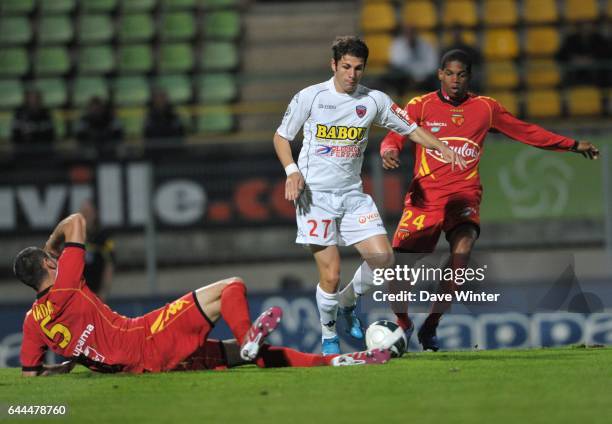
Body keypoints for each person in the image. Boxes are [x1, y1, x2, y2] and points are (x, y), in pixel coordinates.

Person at [372, 49, 599, 351]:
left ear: (469, 76)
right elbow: (396, 133)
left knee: (461, 254)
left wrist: (570, 144)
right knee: (400, 270)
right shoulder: (420, 105)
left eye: (461, 74)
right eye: (449, 74)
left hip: (465, 194)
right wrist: (389, 150)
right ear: (440, 74)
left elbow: (526, 131)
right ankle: (403, 323)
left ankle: (431, 325)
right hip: (425, 198)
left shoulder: (485, 108)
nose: (455, 80)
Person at [273, 36, 465, 355]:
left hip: (352, 196)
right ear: (333, 65)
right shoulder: (310, 97)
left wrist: (443, 147)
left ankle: (348, 304)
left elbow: (411, 128)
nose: (352, 74)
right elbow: (281, 137)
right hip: (315, 198)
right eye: (346, 67)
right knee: (331, 275)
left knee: (385, 260)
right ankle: (329, 335)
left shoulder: (374, 100)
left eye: (358, 68)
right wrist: (292, 171)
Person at [15, 213, 388, 376]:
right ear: (49, 265)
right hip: (146, 338)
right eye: (51, 258)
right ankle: (247, 340)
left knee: (234, 357)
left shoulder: (33, 322)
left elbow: (31, 374)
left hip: (141, 366)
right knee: (232, 286)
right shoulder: (65, 279)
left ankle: (342, 362)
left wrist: (63, 365)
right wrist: (52, 242)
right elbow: (77, 220)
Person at [381, 25, 439, 96]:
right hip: (405, 79)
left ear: (416, 33)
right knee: (391, 76)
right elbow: (396, 63)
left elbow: (432, 65)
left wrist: (419, 78)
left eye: (412, 33)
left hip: (424, 79)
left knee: (437, 80)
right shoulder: (397, 44)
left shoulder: (426, 45)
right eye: (407, 33)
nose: (410, 35)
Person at [79, 198, 114, 300]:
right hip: (78, 293)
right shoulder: (73, 237)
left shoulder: (104, 237)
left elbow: (110, 264)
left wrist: (104, 291)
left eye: (88, 213)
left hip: (96, 293)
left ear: (95, 214)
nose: (85, 217)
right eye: (83, 213)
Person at [11, 89, 55, 156]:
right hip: (23, 148)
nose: (33, 100)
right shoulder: (20, 113)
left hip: (43, 148)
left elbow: (51, 133)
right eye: (31, 97)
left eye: (35, 97)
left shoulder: (45, 113)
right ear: (26, 98)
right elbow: (15, 133)